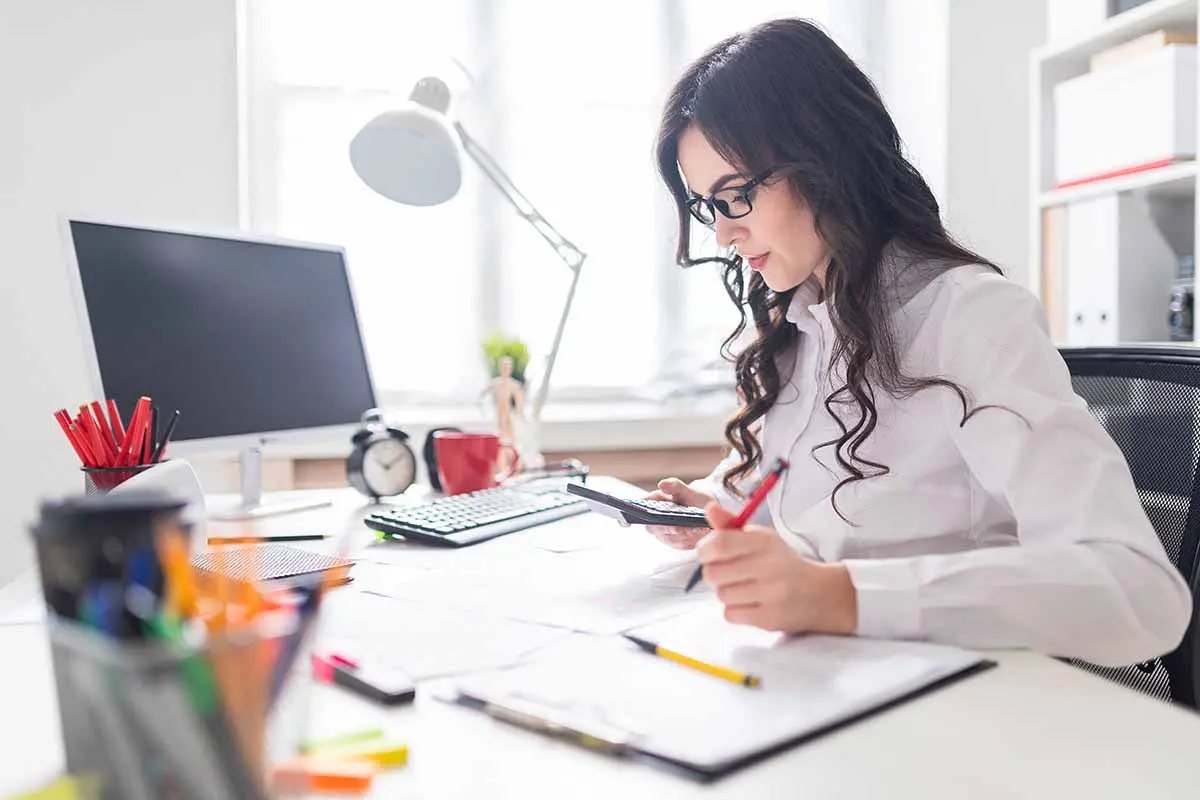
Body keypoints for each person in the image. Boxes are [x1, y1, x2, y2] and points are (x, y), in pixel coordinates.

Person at [646, 17, 1191, 667]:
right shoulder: (802, 326)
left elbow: (1136, 593)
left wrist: (842, 597)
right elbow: (800, 507)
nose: (722, 236)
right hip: (834, 686)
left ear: (823, 160)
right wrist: (714, 508)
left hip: (966, 710)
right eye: (710, 206)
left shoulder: (971, 317)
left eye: (736, 197)